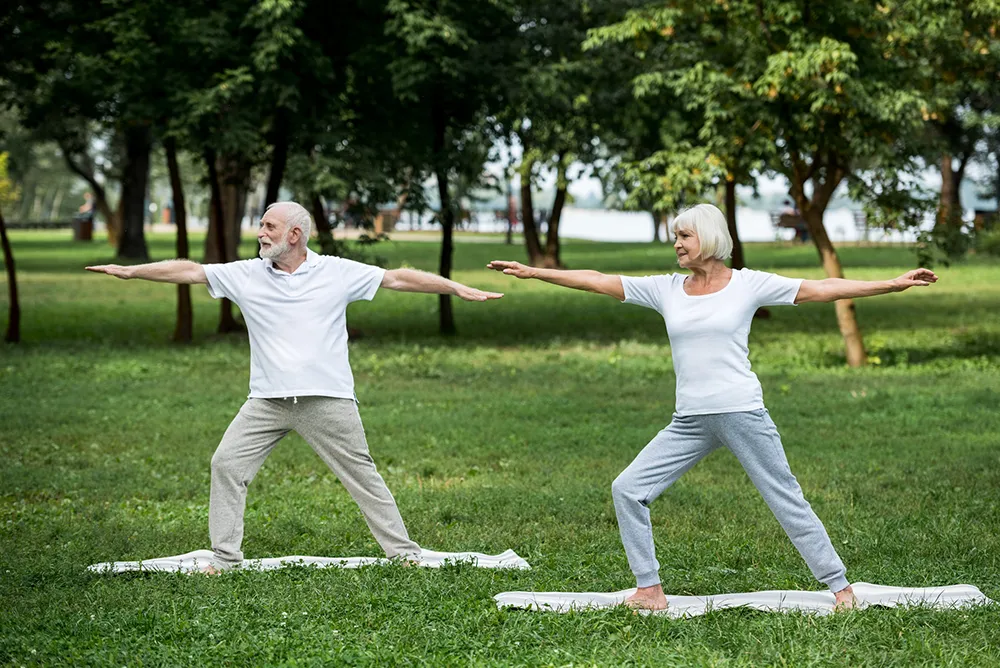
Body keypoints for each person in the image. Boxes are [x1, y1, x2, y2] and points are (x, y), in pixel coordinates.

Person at [487, 203, 937, 611]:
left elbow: (823, 288)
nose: (677, 244)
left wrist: (891, 285)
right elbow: (599, 281)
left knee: (785, 499)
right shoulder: (666, 290)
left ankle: (840, 589)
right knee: (627, 489)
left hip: (742, 412)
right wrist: (534, 273)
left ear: (710, 238)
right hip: (689, 420)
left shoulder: (747, 284)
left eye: (685, 236)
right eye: (676, 237)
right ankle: (649, 589)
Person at [87, 201, 503, 573]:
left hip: (328, 399)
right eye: (261, 226)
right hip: (266, 402)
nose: (260, 233)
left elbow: (396, 279)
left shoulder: (337, 272)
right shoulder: (246, 274)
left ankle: (403, 552)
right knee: (226, 465)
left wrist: (454, 287)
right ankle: (224, 557)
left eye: (268, 226)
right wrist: (131, 271)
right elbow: (191, 271)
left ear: (294, 235)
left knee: (363, 476)